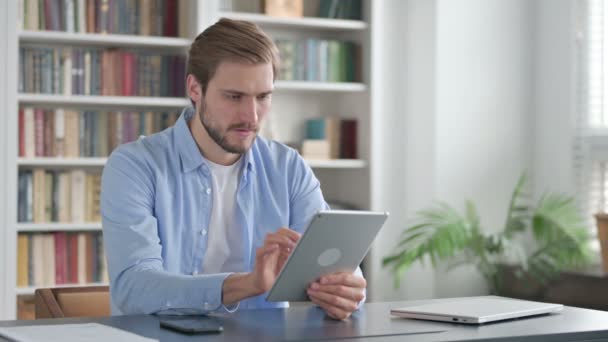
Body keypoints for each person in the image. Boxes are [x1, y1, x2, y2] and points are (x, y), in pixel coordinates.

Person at [101, 18, 366, 320]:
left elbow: (340, 266)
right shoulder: (134, 166)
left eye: (263, 97)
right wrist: (247, 284)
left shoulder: (288, 167)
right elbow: (134, 287)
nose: (251, 116)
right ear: (195, 88)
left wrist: (346, 291)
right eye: (234, 96)